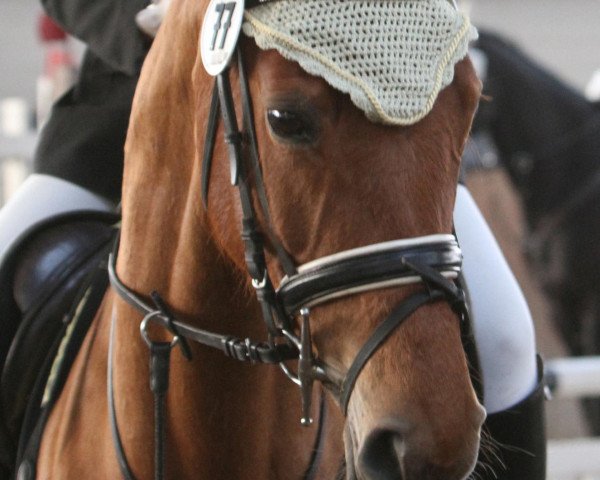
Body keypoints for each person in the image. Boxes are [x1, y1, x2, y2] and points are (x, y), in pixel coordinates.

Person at [0, 0, 544, 477]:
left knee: (504, 337)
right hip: (147, 95)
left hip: (376, 114)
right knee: (10, 256)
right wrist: (152, 20)